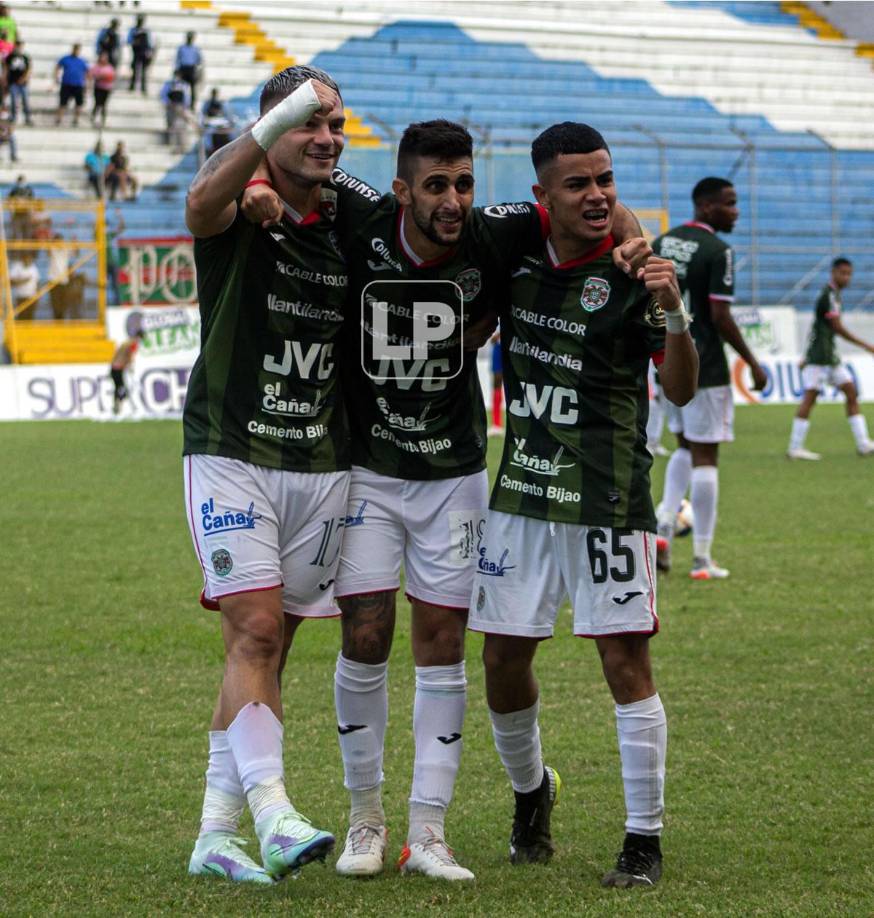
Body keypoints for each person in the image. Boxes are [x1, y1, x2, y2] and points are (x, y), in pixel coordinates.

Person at [241, 119, 649, 881]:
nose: (453, 200)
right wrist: (261, 183)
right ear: (402, 190)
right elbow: (282, 172)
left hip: (456, 474)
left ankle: (427, 832)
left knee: (441, 646)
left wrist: (638, 237)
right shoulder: (360, 212)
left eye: (462, 183)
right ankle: (366, 819)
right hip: (367, 469)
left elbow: (590, 204)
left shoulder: (493, 233)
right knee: (363, 638)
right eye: (435, 186)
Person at [469, 121, 698, 889]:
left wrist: (674, 309)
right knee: (501, 658)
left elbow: (680, 387)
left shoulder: (639, 271)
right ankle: (531, 795)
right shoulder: (516, 255)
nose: (598, 195)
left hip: (607, 497)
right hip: (523, 492)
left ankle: (644, 842)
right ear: (544, 197)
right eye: (579, 184)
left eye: (606, 179)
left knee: (624, 659)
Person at [182, 65, 352, 885]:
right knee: (251, 633)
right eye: (305, 124)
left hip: (320, 462)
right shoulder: (232, 205)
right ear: (272, 127)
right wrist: (253, 164)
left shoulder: (350, 212)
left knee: (269, 649)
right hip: (229, 450)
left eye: (334, 125)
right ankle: (276, 814)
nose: (324, 138)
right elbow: (199, 202)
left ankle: (216, 832)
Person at [652, 177, 767, 580]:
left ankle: (664, 523)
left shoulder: (663, 242)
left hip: (666, 360)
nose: (736, 211)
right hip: (706, 367)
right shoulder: (719, 251)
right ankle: (702, 559)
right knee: (707, 455)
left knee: (683, 444)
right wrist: (752, 361)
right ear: (706, 207)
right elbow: (719, 316)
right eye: (730, 203)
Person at [787, 258, 874, 459]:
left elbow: (817, 329)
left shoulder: (832, 295)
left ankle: (863, 444)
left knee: (851, 392)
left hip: (828, 357)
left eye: (849, 274)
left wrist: (805, 355)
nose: (846, 277)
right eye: (843, 273)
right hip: (820, 359)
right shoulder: (829, 296)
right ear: (833, 272)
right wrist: (866, 345)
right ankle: (794, 447)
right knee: (810, 398)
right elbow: (836, 327)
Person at [110, 328, 144, 413]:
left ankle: (117, 405)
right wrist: (131, 366)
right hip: (119, 367)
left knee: (118, 387)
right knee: (121, 388)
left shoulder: (126, 342)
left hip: (114, 367)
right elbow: (131, 354)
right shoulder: (133, 343)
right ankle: (119, 406)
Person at [55, 43, 89, 127]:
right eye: (75, 49)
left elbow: (87, 72)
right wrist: (56, 77)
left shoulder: (82, 61)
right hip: (67, 84)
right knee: (63, 102)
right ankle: (59, 119)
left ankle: (76, 120)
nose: (76, 51)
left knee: (78, 103)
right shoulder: (65, 58)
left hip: (78, 85)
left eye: (78, 49)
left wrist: (86, 84)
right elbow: (57, 67)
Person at [160, 69, 192, 152]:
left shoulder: (184, 85)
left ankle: (182, 146)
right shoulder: (168, 84)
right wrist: (168, 103)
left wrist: (184, 107)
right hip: (171, 107)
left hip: (180, 108)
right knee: (171, 125)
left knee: (181, 127)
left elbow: (187, 97)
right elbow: (163, 95)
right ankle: (171, 144)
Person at [200, 87, 235, 158]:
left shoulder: (222, 103)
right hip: (211, 126)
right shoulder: (207, 104)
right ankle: (209, 150)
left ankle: (232, 148)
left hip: (223, 125)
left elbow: (228, 117)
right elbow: (203, 116)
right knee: (207, 136)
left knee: (232, 134)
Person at [5, 39, 31, 125]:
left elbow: (28, 69)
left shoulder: (25, 57)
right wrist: (5, 79)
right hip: (13, 82)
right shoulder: (10, 57)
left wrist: (24, 78)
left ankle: (27, 117)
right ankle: (13, 117)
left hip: (23, 83)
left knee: (25, 101)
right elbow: (6, 68)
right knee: (13, 100)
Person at [9, 250, 40, 319]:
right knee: (21, 316)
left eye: (30, 259)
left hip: (31, 296)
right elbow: (10, 282)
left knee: (30, 317)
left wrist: (37, 296)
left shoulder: (34, 268)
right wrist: (23, 281)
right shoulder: (16, 267)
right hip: (20, 296)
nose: (29, 260)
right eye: (27, 258)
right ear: (23, 259)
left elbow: (37, 282)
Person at [175, 31, 202, 110]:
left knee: (193, 89)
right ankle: (181, 104)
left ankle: (192, 105)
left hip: (191, 69)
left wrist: (197, 71)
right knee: (181, 87)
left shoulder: (196, 49)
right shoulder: (181, 48)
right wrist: (177, 69)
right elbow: (178, 59)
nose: (189, 39)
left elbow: (199, 60)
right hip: (183, 69)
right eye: (188, 37)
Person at [89, 50, 115, 127]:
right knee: (97, 103)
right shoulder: (96, 66)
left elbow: (112, 76)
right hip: (98, 87)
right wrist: (100, 77)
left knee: (104, 104)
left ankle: (103, 120)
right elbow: (92, 75)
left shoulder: (109, 67)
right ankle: (93, 117)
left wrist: (104, 77)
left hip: (106, 88)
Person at [127, 14, 152, 94]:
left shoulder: (146, 30)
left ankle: (143, 88)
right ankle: (132, 86)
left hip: (144, 53)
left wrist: (149, 52)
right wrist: (134, 42)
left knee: (144, 71)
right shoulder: (133, 30)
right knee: (134, 70)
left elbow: (149, 43)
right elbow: (129, 40)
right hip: (136, 52)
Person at [488, 331, 503, 436]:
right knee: (496, 386)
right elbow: (492, 340)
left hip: (514, 348)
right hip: (498, 350)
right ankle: (496, 424)